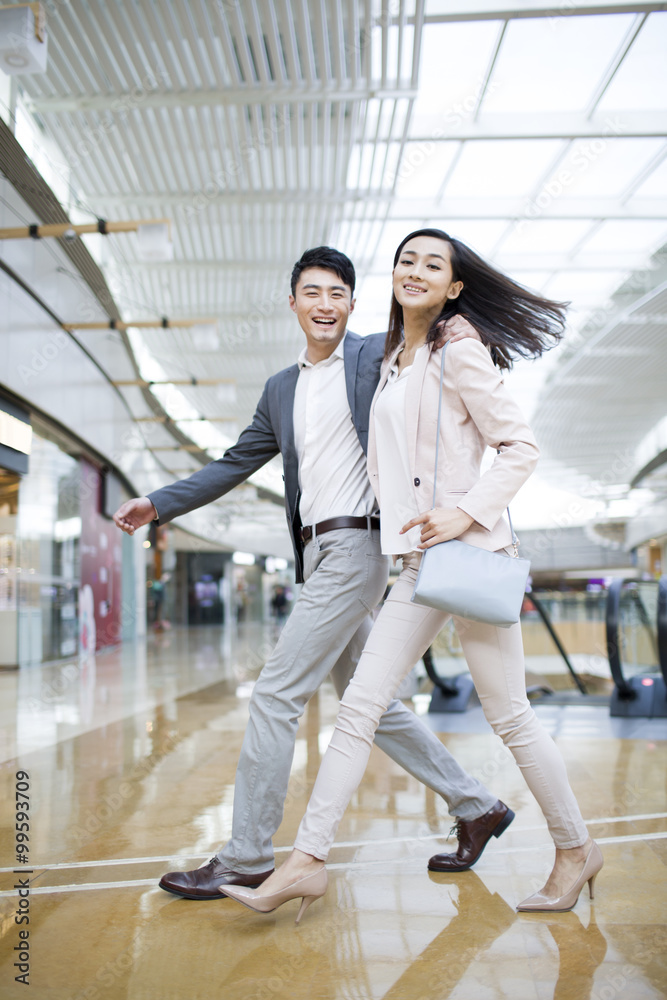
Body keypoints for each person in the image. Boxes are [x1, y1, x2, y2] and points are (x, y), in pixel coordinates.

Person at [221, 230, 603, 923]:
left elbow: (519, 446)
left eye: (434, 264)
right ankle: (306, 861)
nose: (416, 271)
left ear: (454, 286)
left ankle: (575, 849)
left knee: (510, 715)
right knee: (360, 706)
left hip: (469, 555)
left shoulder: (457, 347)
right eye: (406, 261)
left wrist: (463, 512)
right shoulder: (394, 360)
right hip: (415, 565)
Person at [113, 246, 514, 901]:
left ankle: (245, 857)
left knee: (274, 694)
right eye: (312, 293)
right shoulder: (280, 389)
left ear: (353, 304)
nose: (324, 304)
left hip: (358, 545)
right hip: (315, 556)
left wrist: (456, 320)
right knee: (372, 703)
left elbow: (428, 337)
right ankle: (476, 806)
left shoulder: (372, 358)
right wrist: (159, 503)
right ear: (293, 303)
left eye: (337, 293)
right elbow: (232, 462)